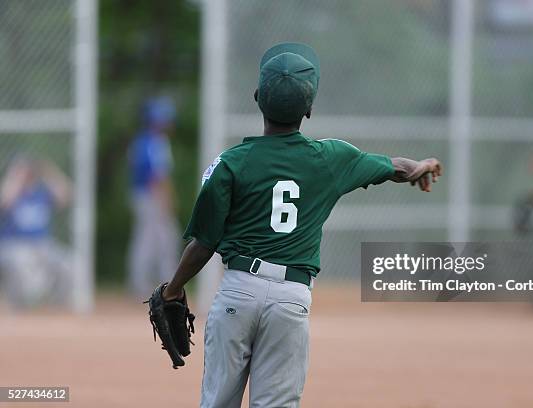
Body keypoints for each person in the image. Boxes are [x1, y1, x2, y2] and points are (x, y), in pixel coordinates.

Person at [161, 43, 442, 407]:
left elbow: (203, 244)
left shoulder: (230, 164)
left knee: (216, 402)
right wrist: (418, 166)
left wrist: (173, 289)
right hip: (291, 299)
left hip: (238, 291)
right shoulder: (330, 158)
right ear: (308, 109)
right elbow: (393, 167)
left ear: (258, 97)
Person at [0, 156, 72, 307]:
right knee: (25, 268)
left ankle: (56, 306)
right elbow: (5, 200)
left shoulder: (41, 194)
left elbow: (66, 195)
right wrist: (16, 175)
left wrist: (48, 171)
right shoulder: (13, 193)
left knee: (69, 264)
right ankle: (22, 306)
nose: (28, 175)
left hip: (43, 245)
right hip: (15, 246)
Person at [127, 97, 179, 298]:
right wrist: (166, 201)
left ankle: (141, 284)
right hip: (152, 197)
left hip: (141, 196)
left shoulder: (141, 140)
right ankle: (167, 286)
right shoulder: (156, 142)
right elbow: (157, 177)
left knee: (147, 240)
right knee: (163, 240)